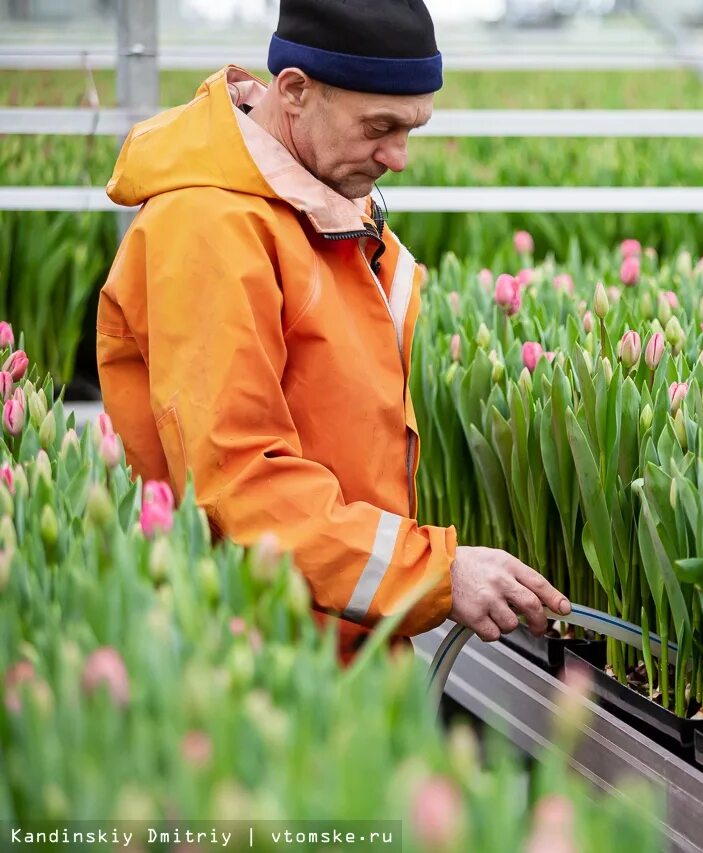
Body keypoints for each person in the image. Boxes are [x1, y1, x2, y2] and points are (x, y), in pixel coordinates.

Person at [95, 0, 570, 664]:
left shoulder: (320, 206)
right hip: (256, 662)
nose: (398, 157)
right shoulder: (208, 229)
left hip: (336, 635)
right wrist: (434, 571)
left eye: (412, 128)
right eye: (380, 126)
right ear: (294, 91)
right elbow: (240, 483)